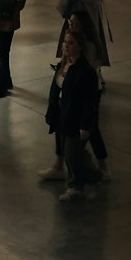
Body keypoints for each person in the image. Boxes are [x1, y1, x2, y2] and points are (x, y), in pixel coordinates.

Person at [39, 10, 110, 182]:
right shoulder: (69, 47)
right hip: (70, 94)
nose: (71, 24)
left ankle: (100, 170)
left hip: (85, 92)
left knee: (90, 131)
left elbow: (87, 75)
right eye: (70, 22)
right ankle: (59, 165)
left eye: (75, 22)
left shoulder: (86, 47)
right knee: (62, 129)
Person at [42, 29, 103, 202]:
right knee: (74, 152)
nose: (66, 46)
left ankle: (76, 186)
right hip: (63, 114)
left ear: (81, 47)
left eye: (71, 43)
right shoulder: (63, 65)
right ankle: (95, 176)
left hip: (75, 117)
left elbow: (89, 102)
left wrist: (85, 125)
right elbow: (56, 89)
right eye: (65, 42)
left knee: (71, 153)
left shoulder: (86, 72)